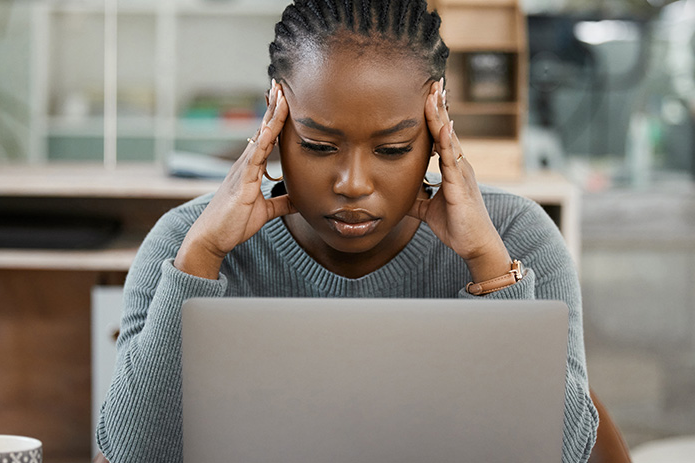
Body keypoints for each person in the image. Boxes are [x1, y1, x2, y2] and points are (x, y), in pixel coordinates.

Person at [96, 0, 598, 461]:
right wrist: (203, 255)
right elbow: (133, 453)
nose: (353, 184)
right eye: (317, 145)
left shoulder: (516, 237)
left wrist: (488, 264)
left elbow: (566, 453)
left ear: (435, 126)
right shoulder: (186, 238)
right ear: (276, 121)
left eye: (394, 149)